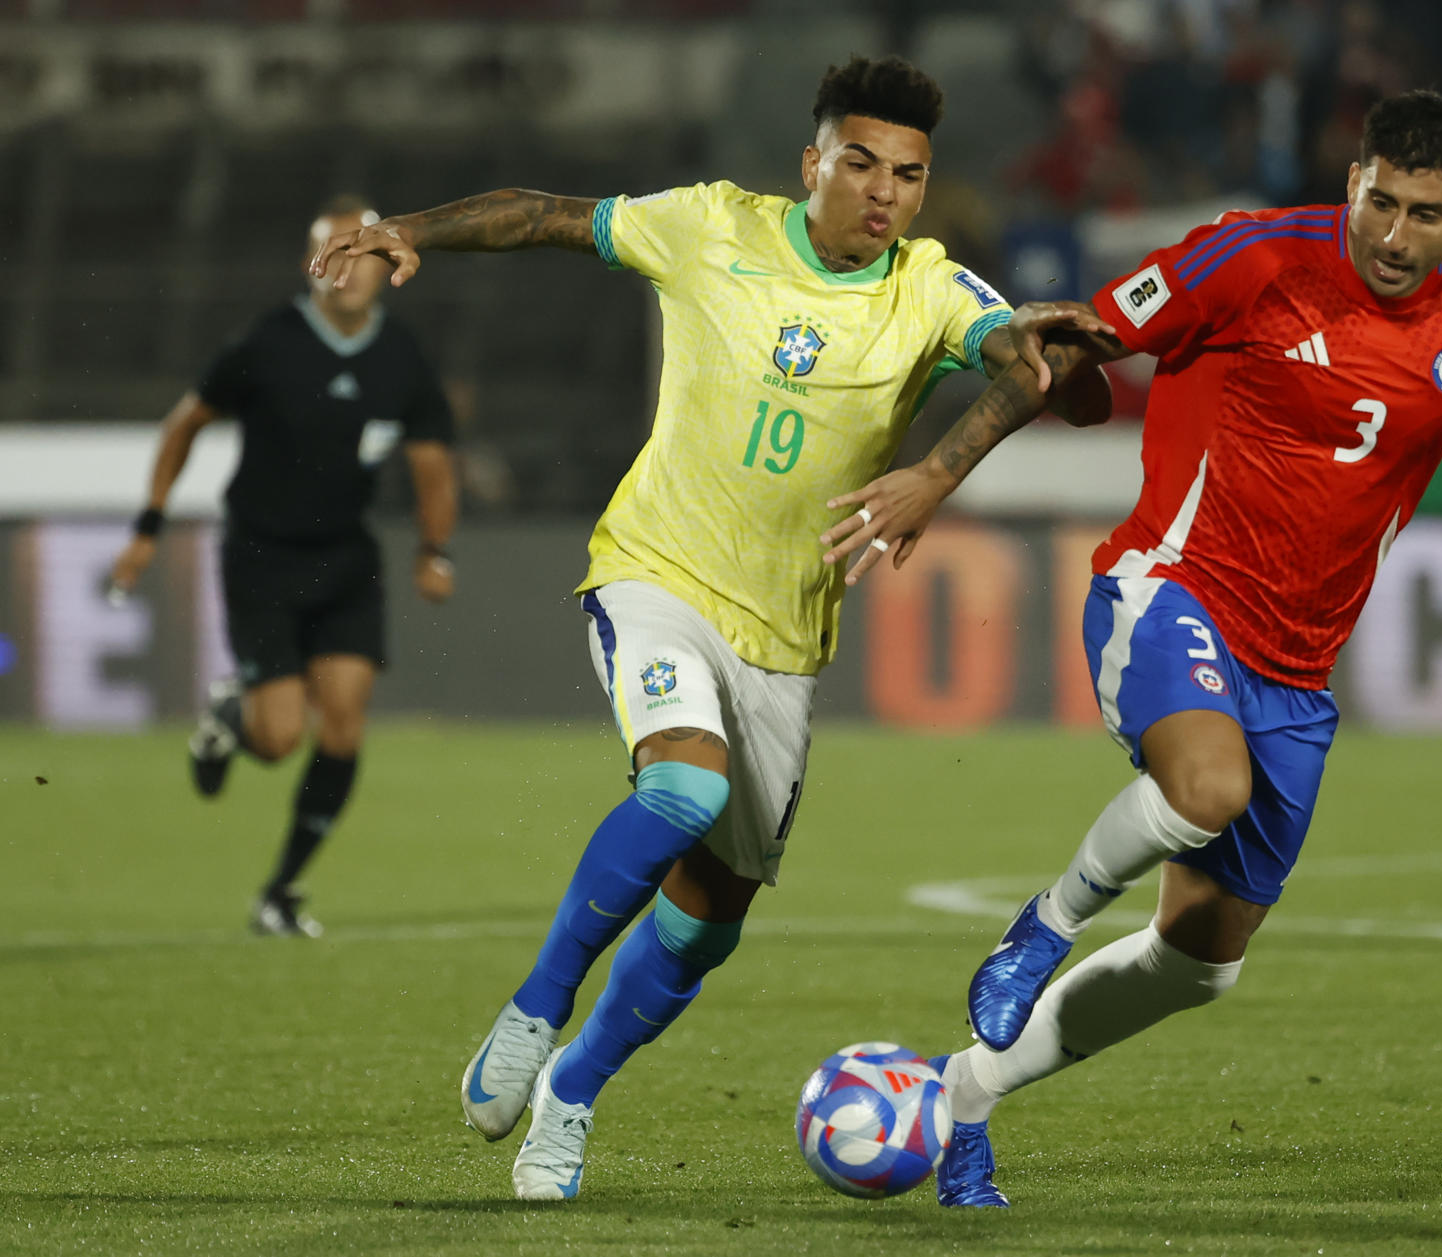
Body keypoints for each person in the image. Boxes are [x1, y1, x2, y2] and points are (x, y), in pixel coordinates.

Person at [822, 90, 1442, 1208]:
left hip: (1296, 669)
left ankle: (964, 1096)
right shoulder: (1253, 258)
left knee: (1199, 964)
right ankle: (1043, 927)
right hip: (1171, 588)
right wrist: (943, 467)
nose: (1394, 238)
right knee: (1206, 787)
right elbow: (1074, 342)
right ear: (1352, 181)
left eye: (1424, 214)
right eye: (1378, 203)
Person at [308, 55, 1109, 1201]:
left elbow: (1029, 361)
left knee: (707, 924)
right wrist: (410, 230)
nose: (883, 192)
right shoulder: (707, 226)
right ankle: (536, 1010)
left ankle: (571, 1093)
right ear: (812, 163)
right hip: (656, 572)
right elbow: (542, 215)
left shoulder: (930, 288)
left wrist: (941, 466)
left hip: (782, 637)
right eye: (861, 163)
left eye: (909, 175)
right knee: (679, 790)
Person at [110, 195, 458, 939]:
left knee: (343, 728)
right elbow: (186, 423)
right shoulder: (267, 343)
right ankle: (232, 714)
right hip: (262, 555)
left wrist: (435, 549)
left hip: (346, 558)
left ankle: (281, 889)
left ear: (384, 262)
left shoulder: (402, 358)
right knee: (278, 740)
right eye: (331, 254)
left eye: (360, 253)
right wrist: (148, 524)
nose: (345, 269)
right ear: (312, 266)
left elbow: (433, 463)